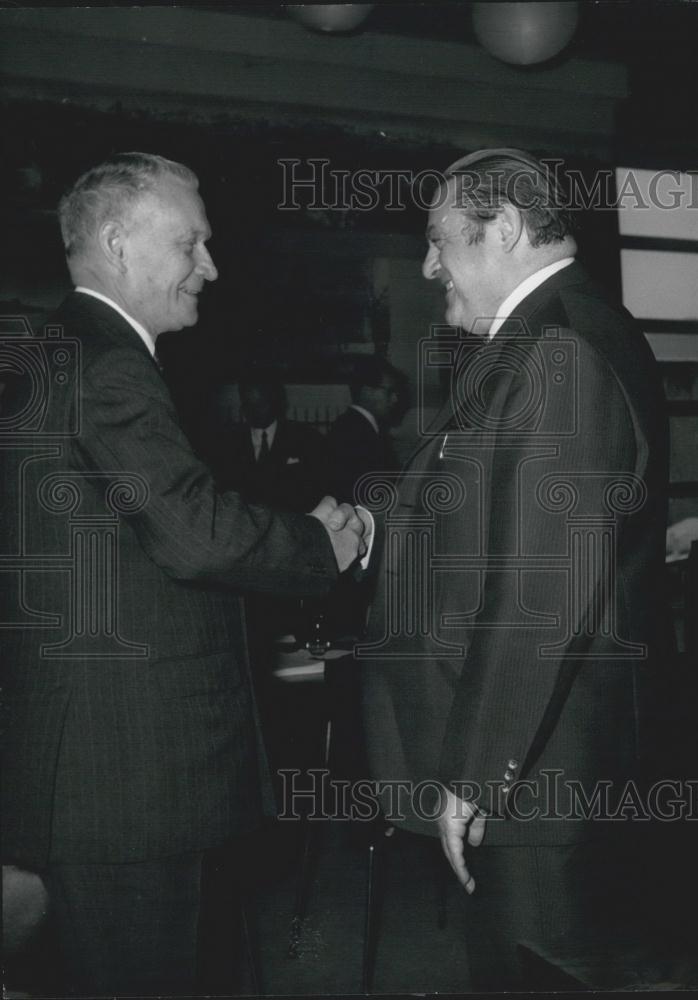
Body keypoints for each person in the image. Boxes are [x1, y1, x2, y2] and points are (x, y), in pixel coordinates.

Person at [0, 152, 367, 996]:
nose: (212, 266)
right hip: (129, 776)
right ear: (120, 244)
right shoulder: (111, 366)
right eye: (192, 242)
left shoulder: (49, 355)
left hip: (77, 764)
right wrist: (322, 544)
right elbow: (192, 533)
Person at [360, 148, 670, 989]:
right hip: (540, 762)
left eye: (436, 241)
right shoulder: (552, 333)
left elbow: (538, 587)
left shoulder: (558, 349)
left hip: (539, 778)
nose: (428, 269)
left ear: (501, 228)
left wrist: (475, 771)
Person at [210, 372, 327, 513]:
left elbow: (316, 490)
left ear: (275, 402)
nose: (254, 412)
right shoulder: (228, 444)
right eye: (248, 405)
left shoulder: (306, 438)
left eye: (261, 404)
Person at [327, 355, 403, 505]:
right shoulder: (353, 432)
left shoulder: (356, 427)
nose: (395, 399)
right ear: (367, 391)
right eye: (390, 391)